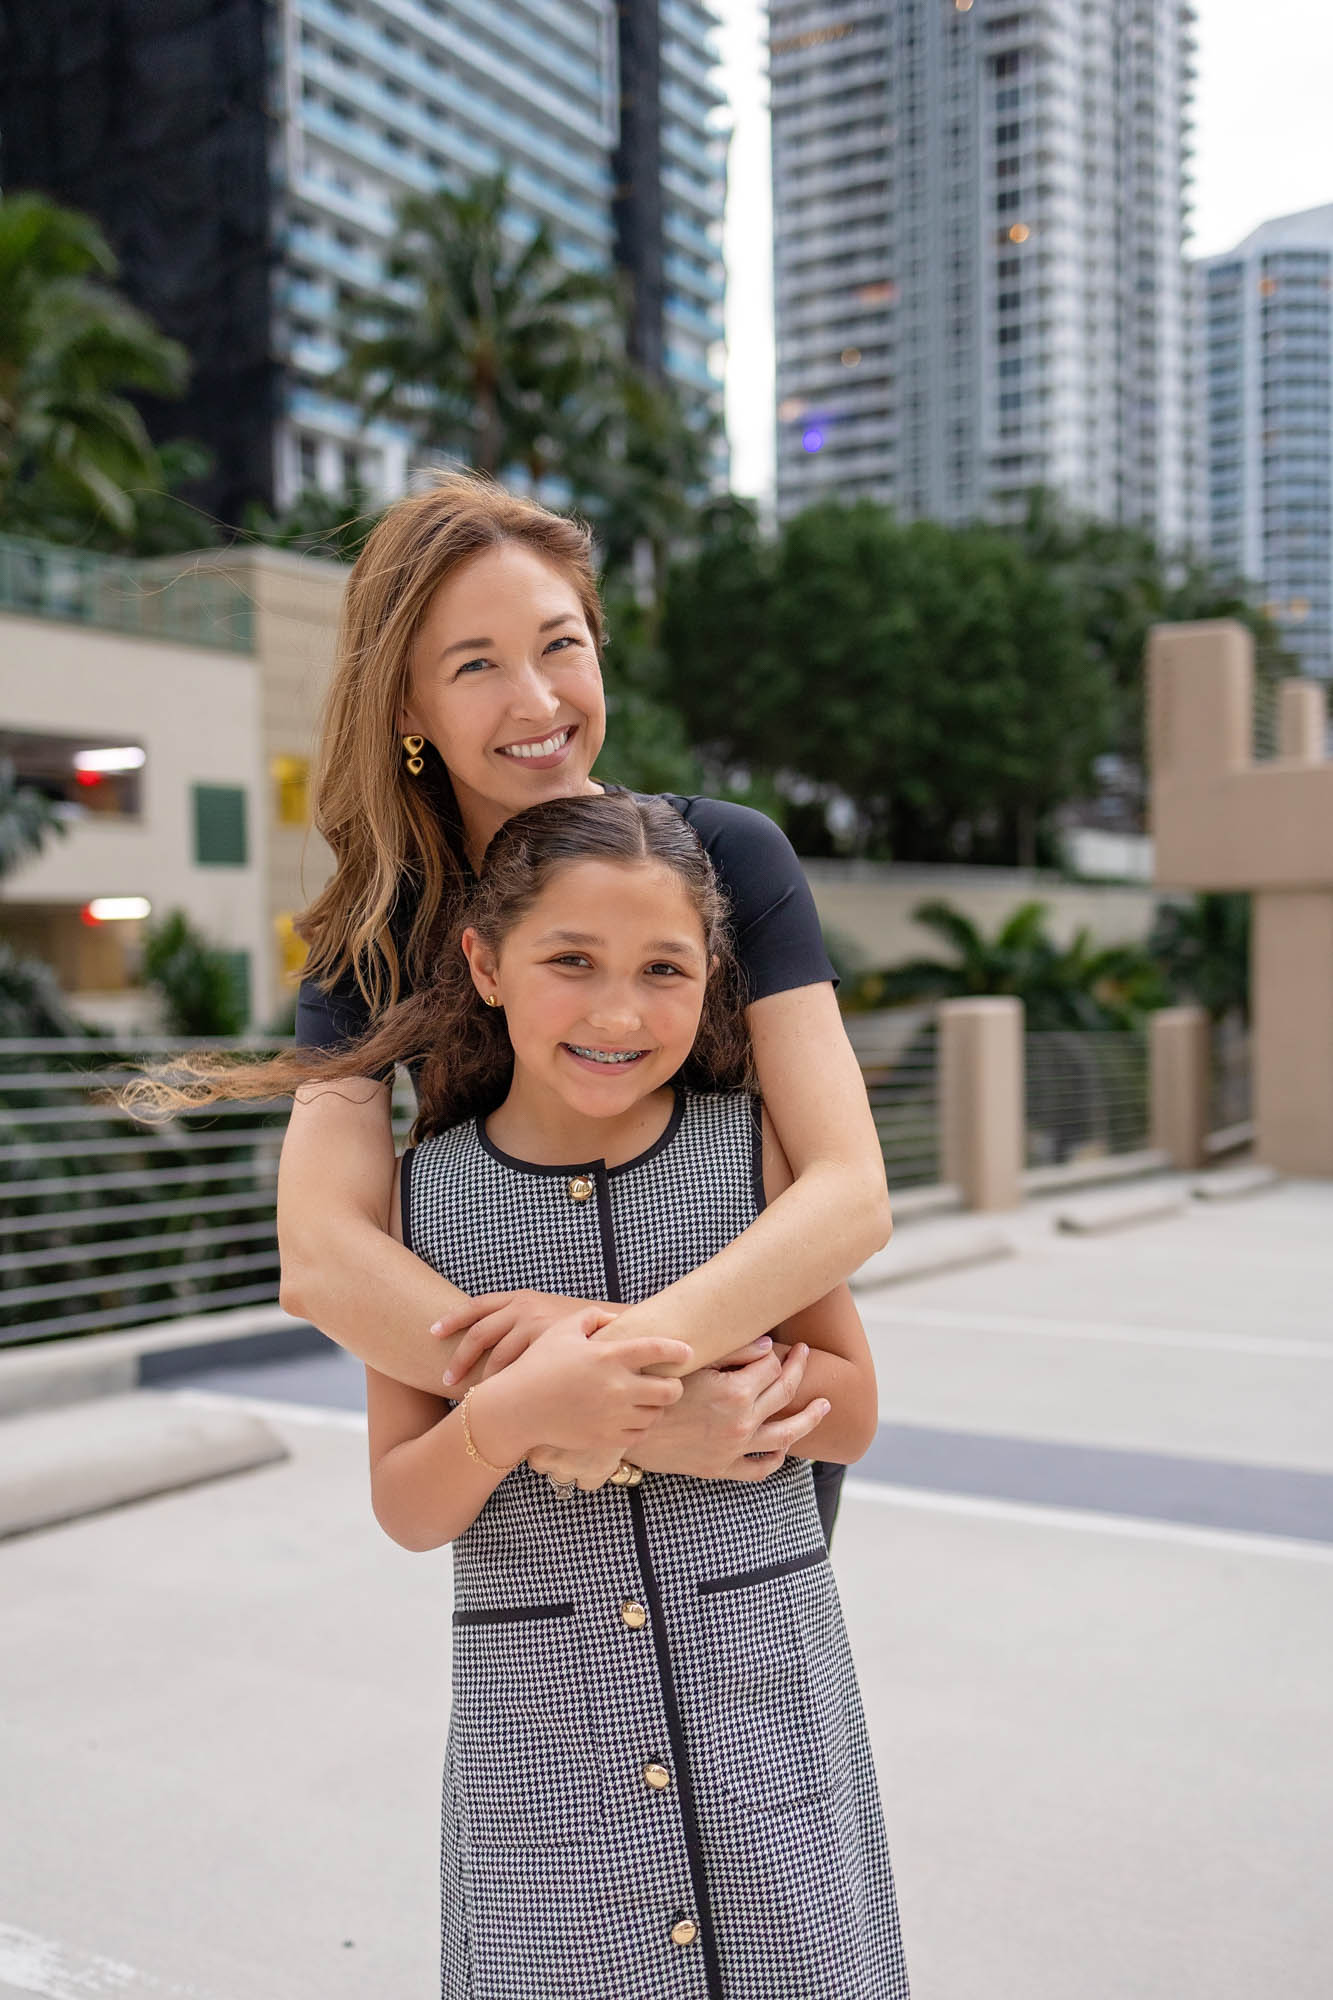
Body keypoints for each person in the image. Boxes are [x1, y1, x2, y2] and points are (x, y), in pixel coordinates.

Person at [134, 793, 910, 1998]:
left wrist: (651, 1384)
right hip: (545, 1755)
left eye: (664, 967)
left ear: (712, 980)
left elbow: (854, 1407)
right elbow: (406, 1500)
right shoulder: (421, 1204)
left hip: (769, 1713)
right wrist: (514, 1412)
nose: (616, 1009)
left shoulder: (752, 1151)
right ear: (484, 965)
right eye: (571, 962)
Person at [277, 471, 892, 1528]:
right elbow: (322, 1254)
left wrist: (625, 1375)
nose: (538, 700)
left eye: (561, 643)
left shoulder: (727, 858)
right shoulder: (375, 932)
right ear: (409, 707)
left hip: (743, 1447)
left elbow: (847, 1189)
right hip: (536, 1492)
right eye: (476, 665)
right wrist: (593, 1400)